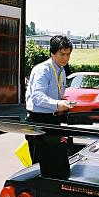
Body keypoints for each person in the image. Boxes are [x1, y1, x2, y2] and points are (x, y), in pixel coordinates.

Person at [25, 35, 75, 164]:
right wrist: (58, 104)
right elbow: (37, 97)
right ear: (52, 53)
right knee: (39, 167)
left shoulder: (62, 70)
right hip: (38, 121)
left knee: (56, 164)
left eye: (68, 54)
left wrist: (63, 103)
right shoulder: (43, 70)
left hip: (52, 120)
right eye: (62, 54)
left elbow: (56, 95)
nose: (66, 58)